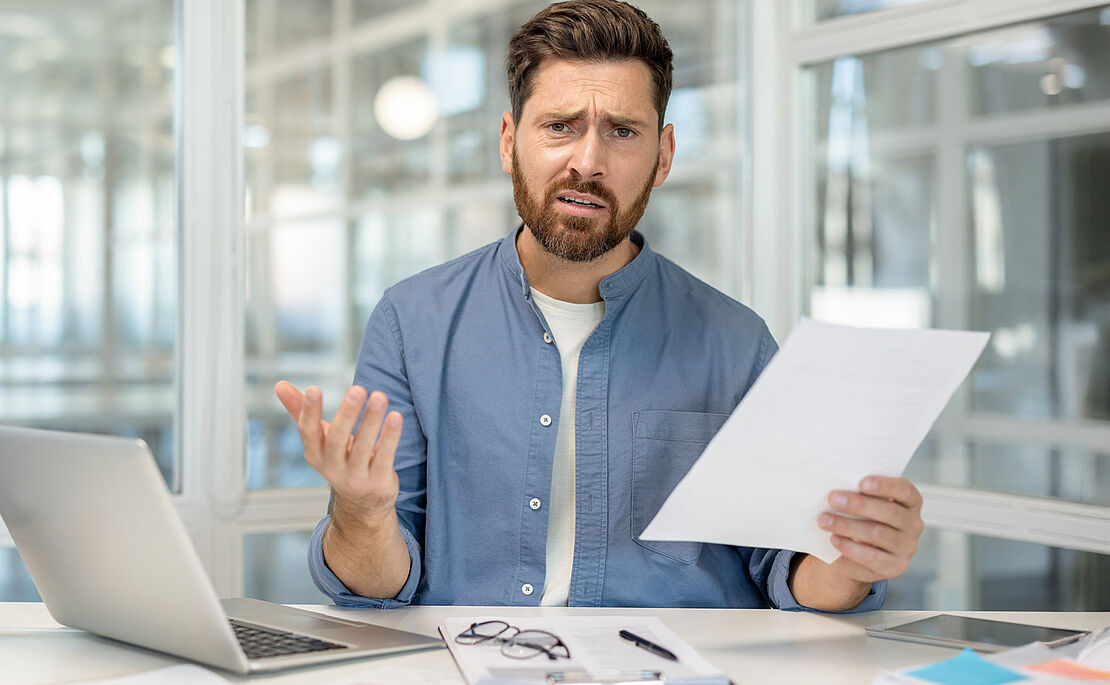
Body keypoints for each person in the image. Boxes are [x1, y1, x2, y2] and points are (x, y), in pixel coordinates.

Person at [275, 0, 923, 611]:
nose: (588, 161)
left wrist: (855, 559)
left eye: (622, 131)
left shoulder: (736, 341)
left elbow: (787, 572)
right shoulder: (411, 322)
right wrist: (362, 513)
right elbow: (380, 588)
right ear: (508, 141)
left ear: (663, 156)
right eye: (560, 126)